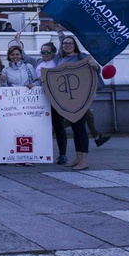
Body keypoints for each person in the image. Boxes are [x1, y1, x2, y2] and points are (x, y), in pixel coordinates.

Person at [52, 35, 100, 171]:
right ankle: (78, 158)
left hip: (80, 98)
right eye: (65, 43)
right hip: (67, 99)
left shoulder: (82, 56)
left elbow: (96, 70)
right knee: (74, 128)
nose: (67, 45)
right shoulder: (61, 59)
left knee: (80, 129)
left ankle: (84, 160)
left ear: (74, 45)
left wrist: (95, 66)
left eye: (70, 43)